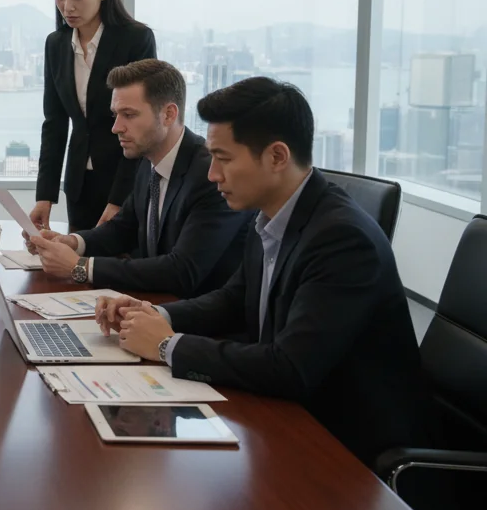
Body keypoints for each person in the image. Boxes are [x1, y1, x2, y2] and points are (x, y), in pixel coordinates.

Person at [97, 77, 432, 467]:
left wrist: (166, 345)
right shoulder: (272, 215)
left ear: (277, 157)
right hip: (288, 419)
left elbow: (290, 367)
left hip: (348, 448)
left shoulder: (342, 240)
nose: (212, 174)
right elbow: (234, 299)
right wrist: (154, 314)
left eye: (223, 158)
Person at [24, 60, 251, 298]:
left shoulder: (210, 175)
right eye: (115, 115)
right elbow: (124, 228)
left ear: (168, 114)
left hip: (202, 314)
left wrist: (80, 267)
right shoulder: (148, 160)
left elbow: (182, 271)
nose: (116, 127)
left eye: (129, 115)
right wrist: (71, 242)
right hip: (156, 304)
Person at [32, 0, 156, 232]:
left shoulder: (135, 39)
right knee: (74, 257)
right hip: (79, 184)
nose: (67, 7)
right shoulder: (56, 44)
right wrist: (45, 196)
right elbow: (54, 123)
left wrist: (118, 199)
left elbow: (141, 123)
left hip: (124, 180)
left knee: (118, 258)